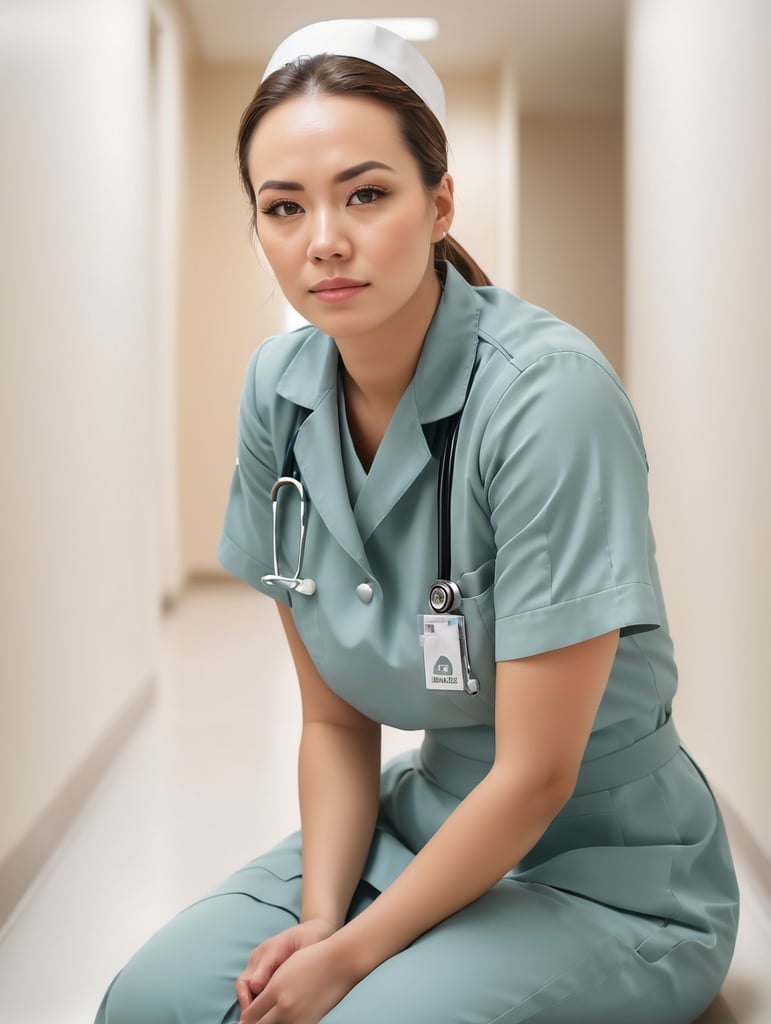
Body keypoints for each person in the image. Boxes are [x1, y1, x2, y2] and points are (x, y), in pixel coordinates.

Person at [95, 19, 739, 1024]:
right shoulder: (280, 390)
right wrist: (321, 921)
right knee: (151, 1002)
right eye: (283, 206)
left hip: (606, 867)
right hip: (428, 820)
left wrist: (351, 961)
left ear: (440, 201)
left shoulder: (546, 399)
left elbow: (536, 776)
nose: (324, 241)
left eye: (366, 193)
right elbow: (334, 718)